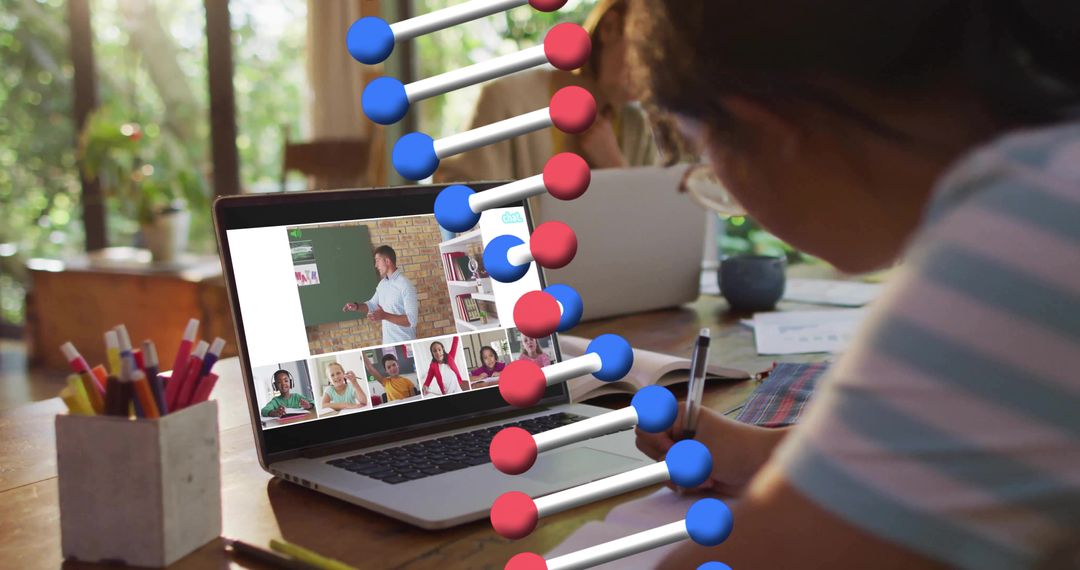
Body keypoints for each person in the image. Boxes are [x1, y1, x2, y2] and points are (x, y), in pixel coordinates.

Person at [627, 1, 1080, 569]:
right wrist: (763, 454)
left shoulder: (1027, 232)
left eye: (711, 174)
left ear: (771, 134)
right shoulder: (1053, 176)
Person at [434, 0, 660, 185]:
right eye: (648, 50)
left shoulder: (637, 126)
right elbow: (455, 193)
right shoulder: (505, 100)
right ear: (609, 28)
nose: (656, 72)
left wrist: (615, 167)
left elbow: (653, 223)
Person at [342, 245, 419, 345]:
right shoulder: (382, 284)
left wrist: (384, 315)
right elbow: (371, 305)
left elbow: (412, 321)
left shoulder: (405, 285)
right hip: (387, 344)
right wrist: (356, 307)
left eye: (377, 261)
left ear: (387, 261)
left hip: (406, 345)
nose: (376, 265)